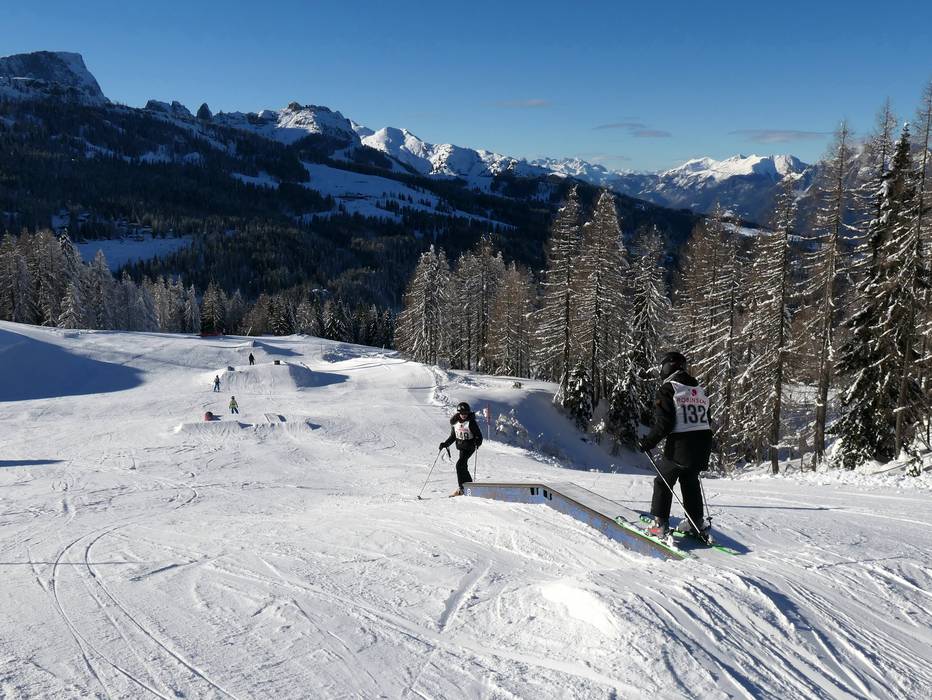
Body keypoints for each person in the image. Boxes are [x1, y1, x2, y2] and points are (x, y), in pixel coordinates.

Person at [639, 351, 713, 540]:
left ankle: (660, 525)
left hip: (681, 445)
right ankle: (696, 523)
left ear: (667, 367)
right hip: (703, 444)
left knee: (663, 481)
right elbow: (707, 418)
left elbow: (664, 424)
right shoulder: (698, 388)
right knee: (690, 480)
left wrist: (648, 442)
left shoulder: (668, 389)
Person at [439, 401, 483, 496]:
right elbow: (453, 436)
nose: (464, 415)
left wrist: (477, 442)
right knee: (463, 466)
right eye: (462, 413)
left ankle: (462, 489)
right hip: (461, 447)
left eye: (466, 413)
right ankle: (469, 486)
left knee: (459, 465)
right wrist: (445, 444)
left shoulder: (471, 422)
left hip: (470, 447)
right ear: (459, 413)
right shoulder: (455, 423)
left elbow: (479, 436)